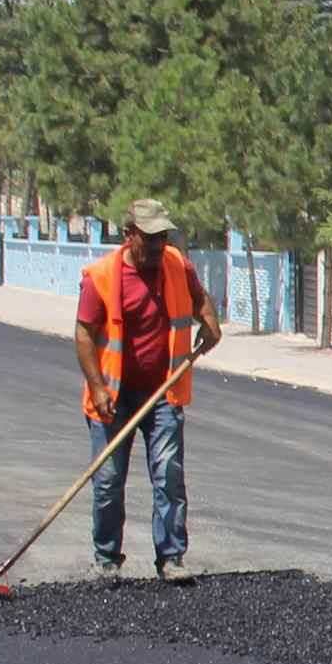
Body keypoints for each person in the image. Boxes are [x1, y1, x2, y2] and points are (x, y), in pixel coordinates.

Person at [73, 196, 223, 579]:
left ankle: (171, 557)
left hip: (163, 394)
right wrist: (98, 387)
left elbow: (199, 298)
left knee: (168, 476)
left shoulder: (176, 265)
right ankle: (107, 559)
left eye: (163, 237)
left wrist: (209, 322)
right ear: (129, 235)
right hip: (113, 398)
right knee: (107, 481)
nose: (159, 245)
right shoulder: (102, 277)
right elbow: (84, 335)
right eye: (151, 238)